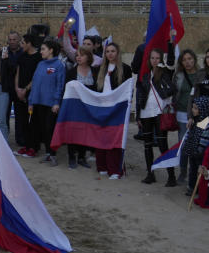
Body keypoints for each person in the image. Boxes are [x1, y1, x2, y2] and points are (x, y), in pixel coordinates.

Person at [136, 42, 177, 186]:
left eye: (157, 58)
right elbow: (141, 96)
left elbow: (171, 61)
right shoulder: (146, 76)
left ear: (161, 59)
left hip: (160, 113)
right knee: (147, 145)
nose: (154, 60)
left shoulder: (166, 73)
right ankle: (150, 173)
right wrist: (138, 116)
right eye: (152, 58)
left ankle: (171, 176)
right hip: (146, 113)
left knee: (162, 144)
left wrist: (170, 43)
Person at [94, 42, 133, 179]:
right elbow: (96, 90)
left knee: (114, 139)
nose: (110, 54)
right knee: (101, 137)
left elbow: (128, 90)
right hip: (102, 108)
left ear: (118, 52)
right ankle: (102, 166)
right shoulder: (100, 69)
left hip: (117, 109)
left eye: (113, 51)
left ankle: (115, 169)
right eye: (107, 51)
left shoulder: (126, 69)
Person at [27, 37, 66, 165]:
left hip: (51, 104)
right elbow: (35, 84)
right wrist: (31, 102)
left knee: (50, 129)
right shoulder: (40, 64)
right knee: (43, 129)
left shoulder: (59, 65)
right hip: (38, 102)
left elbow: (60, 85)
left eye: (43, 49)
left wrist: (56, 102)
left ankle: (53, 153)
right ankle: (48, 153)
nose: (41, 52)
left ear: (51, 50)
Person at [63, 46, 97, 169]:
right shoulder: (71, 72)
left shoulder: (95, 72)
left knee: (85, 132)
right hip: (74, 107)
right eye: (77, 55)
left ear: (88, 57)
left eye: (81, 55)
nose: (78, 57)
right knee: (72, 131)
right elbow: (65, 90)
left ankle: (82, 157)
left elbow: (98, 90)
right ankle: (72, 156)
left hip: (88, 108)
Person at [173, 49, 199, 182]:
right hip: (182, 114)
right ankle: (183, 172)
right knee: (183, 143)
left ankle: (195, 173)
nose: (187, 62)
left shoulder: (202, 75)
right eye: (184, 60)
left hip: (200, 115)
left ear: (194, 59)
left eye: (190, 58)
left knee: (198, 143)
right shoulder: (179, 76)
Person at [13, 34, 41, 155]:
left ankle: (33, 147)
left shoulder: (39, 57)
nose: (21, 45)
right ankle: (25, 145)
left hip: (32, 93)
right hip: (20, 93)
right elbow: (17, 73)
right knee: (22, 120)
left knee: (33, 122)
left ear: (29, 43)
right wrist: (17, 88)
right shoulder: (21, 56)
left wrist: (25, 89)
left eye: (23, 43)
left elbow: (37, 77)